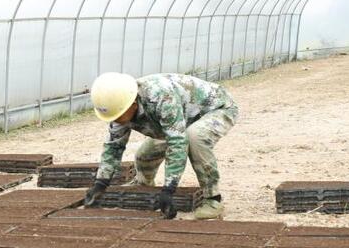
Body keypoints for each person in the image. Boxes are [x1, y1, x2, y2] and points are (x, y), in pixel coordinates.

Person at [83, 72, 238, 220]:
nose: (116, 121)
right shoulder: (120, 107)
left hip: (216, 109)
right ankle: (143, 185)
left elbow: (177, 143)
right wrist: (100, 183)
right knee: (144, 156)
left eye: (119, 116)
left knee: (194, 138)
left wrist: (169, 189)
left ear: (133, 104)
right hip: (180, 118)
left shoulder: (161, 97)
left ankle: (213, 198)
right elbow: (113, 147)